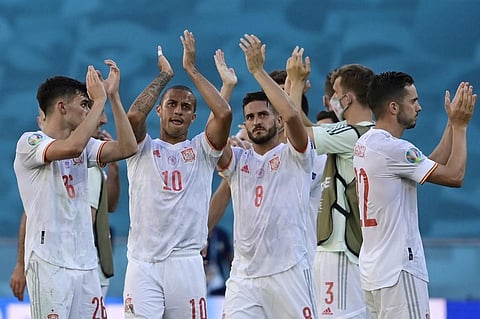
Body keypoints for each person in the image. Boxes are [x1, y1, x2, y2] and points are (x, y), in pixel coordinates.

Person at [13, 60, 137, 318]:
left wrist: (112, 97)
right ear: (61, 107)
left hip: (86, 262)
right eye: (84, 104)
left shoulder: (84, 146)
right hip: (49, 262)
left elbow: (128, 147)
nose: (88, 110)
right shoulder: (31, 142)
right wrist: (99, 100)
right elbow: (72, 148)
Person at [123, 30, 232, 318]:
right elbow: (133, 117)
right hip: (143, 263)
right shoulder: (141, 147)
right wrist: (165, 77)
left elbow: (223, 114)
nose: (178, 111)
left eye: (186, 107)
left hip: (186, 264)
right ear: (158, 110)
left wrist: (191, 69)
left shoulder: (202, 151)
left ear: (194, 117)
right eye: (171, 104)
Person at [353, 73, 476, 319]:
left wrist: (451, 123)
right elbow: (454, 176)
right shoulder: (395, 149)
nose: (419, 107)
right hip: (399, 270)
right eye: (413, 101)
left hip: (374, 271)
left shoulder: (367, 143)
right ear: (394, 107)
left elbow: (426, 165)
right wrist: (461, 128)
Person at [217, 34, 317, 318]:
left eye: (263, 115)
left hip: (289, 272)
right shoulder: (238, 159)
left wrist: (258, 72)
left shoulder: (295, 155)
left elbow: (295, 119)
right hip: (245, 277)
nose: (256, 121)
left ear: (277, 119)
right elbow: (214, 140)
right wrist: (227, 88)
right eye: (249, 117)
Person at [291, 63, 375, 318]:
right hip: (359, 251)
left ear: (347, 99)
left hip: (340, 250)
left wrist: (294, 85)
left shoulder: (352, 134)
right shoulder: (372, 135)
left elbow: (297, 133)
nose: (331, 101)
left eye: (336, 94)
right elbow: (311, 129)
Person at [9, 113, 120, 301]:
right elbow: (31, 215)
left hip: (90, 268)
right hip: (65, 266)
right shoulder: (54, 159)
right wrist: (20, 264)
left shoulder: (91, 165)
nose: (102, 121)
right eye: (93, 113)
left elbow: (110, 205)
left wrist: (114, 166)